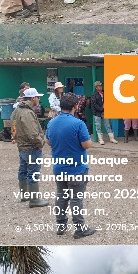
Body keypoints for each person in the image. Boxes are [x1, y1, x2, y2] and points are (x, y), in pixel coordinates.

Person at [47, 94, 96, 238]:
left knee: (61, 197)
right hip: (76, 168)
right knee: (76, 199)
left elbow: (48, 142)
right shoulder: (78, 124)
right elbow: (86, 144)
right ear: (75, 106)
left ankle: (61, 226)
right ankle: (80, 229)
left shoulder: (51, 123)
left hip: (59, 167)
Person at [12, 87, 48, 207]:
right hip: (31, 147)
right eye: (37, 97)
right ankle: (34, 200)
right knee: (33, 172)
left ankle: (24, 195)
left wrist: (16, 138)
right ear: (33, 98)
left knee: (23, 170)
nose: (38, 99)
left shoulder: (17, 110)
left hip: (22, 146)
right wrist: (40, 143)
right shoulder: (28, 113)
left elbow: (13, 126)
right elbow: (32, 133)